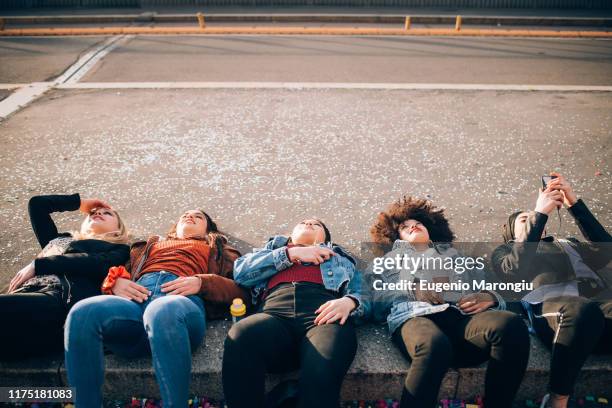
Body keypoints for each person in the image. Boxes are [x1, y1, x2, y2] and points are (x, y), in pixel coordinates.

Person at [64, 209, 248, 407]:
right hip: (135, 304)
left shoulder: (219, 249)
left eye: (199, 216)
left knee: (161, 310)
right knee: (82, 312)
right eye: (185, 214)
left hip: (179, 306)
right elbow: (114, 276)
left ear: (208, 228)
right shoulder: (146, 246)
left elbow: (244, 292)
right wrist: (114, 283)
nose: (190, 216)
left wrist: (203, 283)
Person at [362, 196, 530, 408]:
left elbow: (494, 286)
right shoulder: (385, 262)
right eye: (405, 226)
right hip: (415, 316)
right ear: (396, 236)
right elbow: (377, 302)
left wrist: (490, 297)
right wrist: (412, 289)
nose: (413, 226)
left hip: (462, 319)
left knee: (510, 324)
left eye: (418, 223)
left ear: (431, 228)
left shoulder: (459, 257)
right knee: (434, 345)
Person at [492, 172, 612, 408]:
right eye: (525, 220)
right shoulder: (504, 252)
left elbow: (606, 250)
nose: (536, 221)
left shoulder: (569, 243)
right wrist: (540, 213)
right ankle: (557, 398)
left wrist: (573, 203)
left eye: (536, 218)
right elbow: (512, 271)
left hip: (598, 314)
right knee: (581, 310)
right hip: (558, 313)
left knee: (594, 308)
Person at [222, 218, 362, 408]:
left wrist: (351, 301)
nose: (309, 224)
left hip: (323, 317)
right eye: (304, 222)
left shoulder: (340, 259)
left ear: (326, 239)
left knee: (323, 368)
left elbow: (366, 291)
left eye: (317, 224)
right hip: (274, 315)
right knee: (241, 335)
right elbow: (241, 273)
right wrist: (290, 253)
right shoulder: (270, 251)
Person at [0, 193, 130, 360]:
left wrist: (38, 265)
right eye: (93, 213)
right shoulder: (59, 240)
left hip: (58, 303)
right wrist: (80, 203)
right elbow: (37, 205)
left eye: (108, 213)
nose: (98, 213)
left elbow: (95, 263)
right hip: (26, 298)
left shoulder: (119, 249)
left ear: (119, 228)